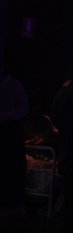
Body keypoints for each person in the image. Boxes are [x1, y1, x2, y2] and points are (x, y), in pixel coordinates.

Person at [0, 65, 28, 219]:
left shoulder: (14, 85)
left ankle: (14, 205)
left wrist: (5, 116)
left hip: (11, 133)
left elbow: (23, 109)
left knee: (12, 168)